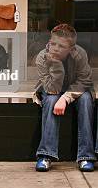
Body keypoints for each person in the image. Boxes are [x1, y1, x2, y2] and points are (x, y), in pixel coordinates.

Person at [34, 24, 95, 172]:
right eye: (52, 43)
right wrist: (55, 64)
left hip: (77, 89)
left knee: (86, 100)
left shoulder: (79, 54)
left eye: (61, 46)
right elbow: (51, 89)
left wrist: (66, 98)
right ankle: (45, 155)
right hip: (52, 89)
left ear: (71, 48)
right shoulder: (43, 56)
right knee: (50, 100)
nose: (55, 48)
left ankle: (85, 156)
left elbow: (84, 80)